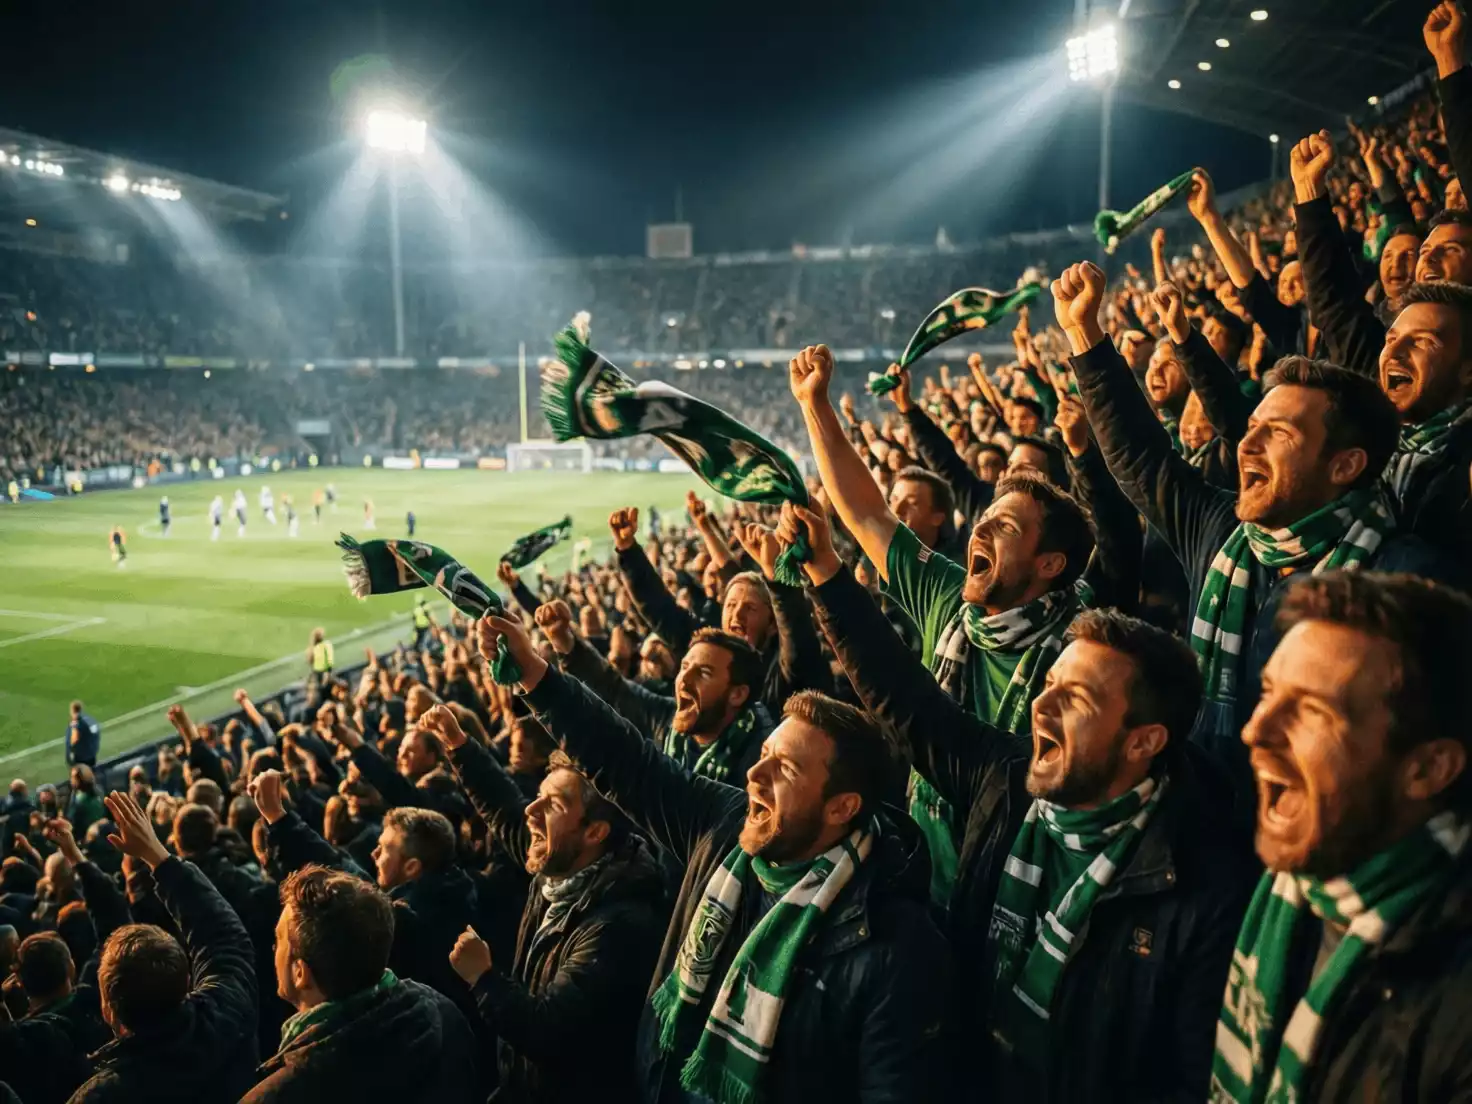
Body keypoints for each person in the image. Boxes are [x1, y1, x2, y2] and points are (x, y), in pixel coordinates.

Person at [771, 495, 1253, 1100]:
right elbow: (904, 698)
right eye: (1048, 685)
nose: (1041, 707)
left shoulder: (1205, 894)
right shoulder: (1006, 780)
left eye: (1075, 699)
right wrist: (824, 572)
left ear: (1143, 741)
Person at [472, 612, 956, 1102]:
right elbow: (626, 760)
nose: (755, 776)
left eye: (785, 769)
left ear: (841, 807)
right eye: (763, 755)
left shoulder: (898, 950)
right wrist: (535, 675)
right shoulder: (725, 825)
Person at [1056, 260, 1462, 802]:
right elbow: (1142, 458)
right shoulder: (1221, 531)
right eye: (1252, 429)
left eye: (1280, 434)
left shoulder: (1409, 582)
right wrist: (1084, 334)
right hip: (1204, 822)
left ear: (1345, 464)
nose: (1247, 446)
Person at [1212, 571, 1472, 1102]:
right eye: (1269, 693)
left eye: (1313, 711)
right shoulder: (1301, 883)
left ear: (1427, 769)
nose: (1255, 731)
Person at [421, 705, 667, 1104]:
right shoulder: (561, 869)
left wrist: (484, 978)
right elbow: (505, 809)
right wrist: (459, 745)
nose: (531, 811)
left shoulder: (619, 927)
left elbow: (551, 1031)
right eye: (538, 796)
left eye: (552, 805)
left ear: (595, 832)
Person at [73, 790, 259, 1102]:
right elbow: (223, 936)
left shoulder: (101, 1095)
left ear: (108, 1011)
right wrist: (157, 855)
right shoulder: (228, 1015)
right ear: (187, 982)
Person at [242, 865, 481, 1103]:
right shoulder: (446, 1015)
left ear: (300, 973)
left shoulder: (279, 1095)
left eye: (279, 940)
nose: (273, 949)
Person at [536, 600, 773, 785]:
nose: (684, 680)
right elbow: (615, 691)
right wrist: (564, 641)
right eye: (684, 667)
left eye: (704, 673)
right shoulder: (668, 722)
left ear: (737, 694)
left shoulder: (762, 761)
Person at [65, 701, 101, 770]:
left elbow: (74, 739)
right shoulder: (90, 719)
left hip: (80, 759)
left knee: (80, 774)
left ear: (72, 710)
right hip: (91, 755)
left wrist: (71, 753)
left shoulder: (76, 723)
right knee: (91, 771)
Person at [307, 629, 333, 700]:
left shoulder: (311, 649)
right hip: (324, 677)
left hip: (317, 677)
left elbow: (311, 662)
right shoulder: (323, 648)